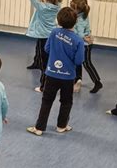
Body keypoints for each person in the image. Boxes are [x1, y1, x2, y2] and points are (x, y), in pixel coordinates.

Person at [27, 7, 84, 136]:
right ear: (75, 22)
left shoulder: (53, 32)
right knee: (66, 101)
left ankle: (39, 127)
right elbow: (79, 61)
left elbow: (46, 49)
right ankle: (61, 126)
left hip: (51, 73)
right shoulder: (78, 40)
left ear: (58, 20)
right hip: (68, 77)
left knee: (46, 100)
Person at [25, 0, 64, 93]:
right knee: (49, 60)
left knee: (44, 64)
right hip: (51, 36)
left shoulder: (42, 8)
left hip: (43, 38)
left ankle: (44, 86)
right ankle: (50, 82)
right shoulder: (57, 6)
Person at [69, 0, 103, 93]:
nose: (71, 10)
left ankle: (97, 82)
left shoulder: (80, 20)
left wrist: (84, 38)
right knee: (77, 62)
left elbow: (79, 34)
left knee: (87, 64)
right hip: (80, 44)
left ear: (78, 10)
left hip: (84, 45)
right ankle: (77, 80)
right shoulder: (83, 14)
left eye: (72, 8)